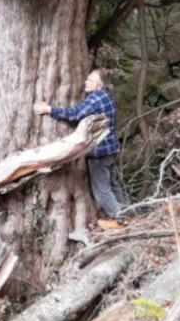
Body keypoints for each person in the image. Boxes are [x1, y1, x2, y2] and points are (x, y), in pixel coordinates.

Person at [33, 69, 127, 229]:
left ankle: (120, 220)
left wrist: (50, 110)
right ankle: (126, 213)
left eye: (90, 80)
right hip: (111, 148)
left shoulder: (95, 99)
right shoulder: (106, 96)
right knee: (113, 184)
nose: (86, 82)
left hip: (100, 151)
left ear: (99, 86)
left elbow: (75, 114)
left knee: (102, 189)